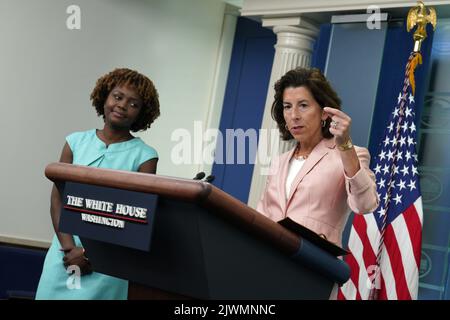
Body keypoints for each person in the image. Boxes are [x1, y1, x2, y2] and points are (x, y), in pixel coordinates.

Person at [35, 68, 160, 300]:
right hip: (64, 252)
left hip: (109, 263)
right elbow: (57, 200)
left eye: (134, 104)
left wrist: (93, 256)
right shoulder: (74, 142)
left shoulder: (145, 156)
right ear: (104, 97)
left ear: (142, 113)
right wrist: (70, 249)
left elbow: (137, 218)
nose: (122, 105)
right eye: (118, 96)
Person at [257, 67, 379, 248]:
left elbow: (366, 204)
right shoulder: (279, 162)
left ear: (324, 112)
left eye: (303, 105)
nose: (294, 116)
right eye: (287, 107)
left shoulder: (349, 154)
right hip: (268, 258)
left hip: (313, 266)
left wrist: (345, 145)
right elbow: (261, 216)